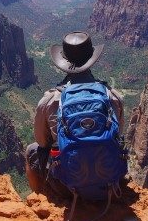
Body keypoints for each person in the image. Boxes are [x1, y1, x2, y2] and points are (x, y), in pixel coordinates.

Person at [25, 31, 124, 195]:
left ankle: (40, 198)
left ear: (64, 61)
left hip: (66, 186)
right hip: (108, 183)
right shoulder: (112, 97)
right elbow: (117, 136)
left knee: (31, 150)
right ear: (92, 59)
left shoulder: (49, 100)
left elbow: (42, 143)